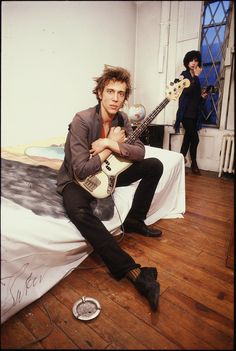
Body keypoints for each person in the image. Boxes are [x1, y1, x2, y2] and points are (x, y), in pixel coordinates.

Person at [57, 65, 164, 311]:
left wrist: (109, 143)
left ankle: (135, 219)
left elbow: (139, 152)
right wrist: (111, 145)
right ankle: (133, 271)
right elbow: (81, 169)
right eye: (111, 92)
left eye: (121, 93)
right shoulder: (82, 120)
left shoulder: (123, 119)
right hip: (76, 180)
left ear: (125, 98)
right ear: (99, 93)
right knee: (78, 210)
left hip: (109, 172)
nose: (116, 98)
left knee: (154, 165)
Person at [174, 50, 208, 175]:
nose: (194, 63)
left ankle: (179, 165)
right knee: (195, 139)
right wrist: (196, 77)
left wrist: (202, 96)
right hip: (186, 114)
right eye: (191, 60)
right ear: (187, 62)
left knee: (188, 139)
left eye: (196, 60)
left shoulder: (196, 78)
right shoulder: (184, 75)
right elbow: (186, 93)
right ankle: (194, 163)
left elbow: (195, 97)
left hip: (195, 114)